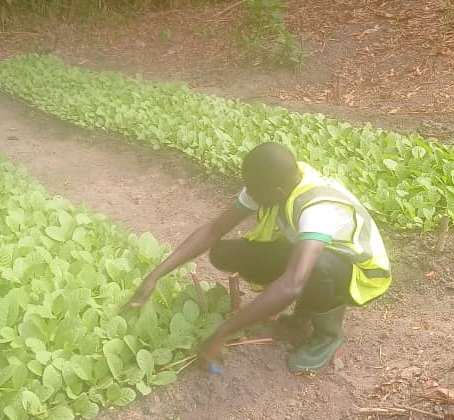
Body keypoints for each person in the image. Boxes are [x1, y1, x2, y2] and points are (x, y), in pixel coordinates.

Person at [126, 142, 391, 373]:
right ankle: (300, 315)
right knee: (224, 252)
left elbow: (292, 284)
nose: (249, 195)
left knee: (316, 269)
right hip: (307, 250)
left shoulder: (318, 210)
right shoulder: (272, 184)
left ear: (275, 190)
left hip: (357, 271)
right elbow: (214, 229)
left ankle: (326, 334)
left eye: (254, 191)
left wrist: (221, 333)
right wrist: (155, 276)